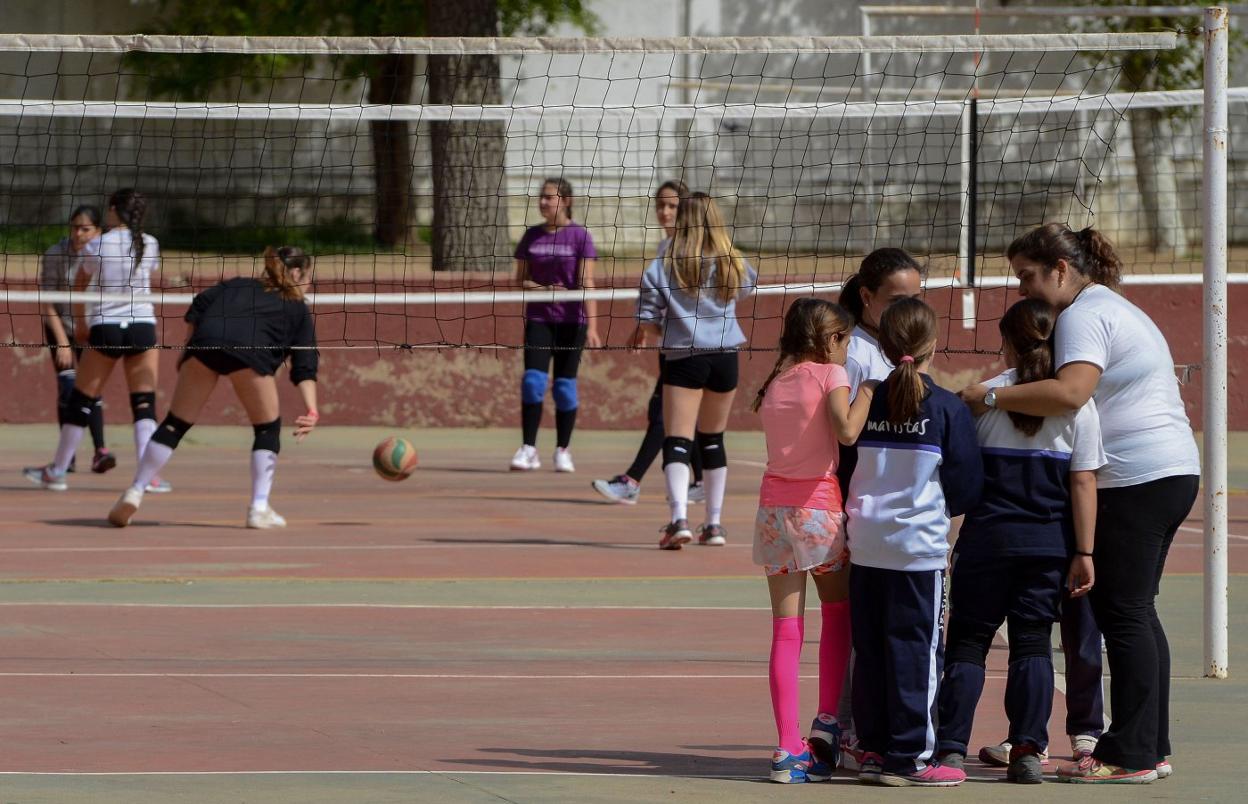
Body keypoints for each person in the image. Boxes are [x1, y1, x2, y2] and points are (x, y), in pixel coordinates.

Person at [960, 223, 1199, 784]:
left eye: (1027, 277)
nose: (1022, 290)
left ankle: (1131, 754)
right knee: (1136, 610)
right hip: (1167, 470)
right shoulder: (1110, 306)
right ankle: (1146, 745)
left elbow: (1070, 393)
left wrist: (987, 396)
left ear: (1060, 270)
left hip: (1137, 477)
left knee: (1126, 614)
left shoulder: (1085, 315)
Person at [934, 298, 1105, 784]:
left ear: (1008, 344)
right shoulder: (1078, 406)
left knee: (968, 644)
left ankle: (949, 750)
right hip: (1048, 546)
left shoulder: (983, 397)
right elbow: (1083, 483)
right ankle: (1028, 748)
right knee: (1032, 646)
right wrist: (1085, 552)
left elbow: (958, 474)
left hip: (987, 541)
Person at [846, 297, 982, 787]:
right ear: (933, 344)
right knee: (917, 651)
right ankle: (911, 758)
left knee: (871, 649)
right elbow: (966, 487)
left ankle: (876, 751)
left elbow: (845, 468)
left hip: (865, 544)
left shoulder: (865, 400)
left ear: (882, 345)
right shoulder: (945, 407)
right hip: (917, 550)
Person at [751, 298, 875, 783]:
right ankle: (827, 722)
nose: (847, 349)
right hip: (818, 511)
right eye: (844, 340)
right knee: (838, 614)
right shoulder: (832, 375)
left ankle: (787, 748)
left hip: (772, 514)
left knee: (785, 630)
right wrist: (866, 390)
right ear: (829, 341)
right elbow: (846, 433)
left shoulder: (776, 382)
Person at [107, 246, 319, 530]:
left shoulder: (235, 284)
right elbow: (305, 363)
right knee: (267, 429)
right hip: (250, 351)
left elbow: (198, 306)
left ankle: (136, 488)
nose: (309, 284)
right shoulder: (297, 307)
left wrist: (188, 350)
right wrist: (312, 409)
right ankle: (258, 508)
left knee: (174, 424)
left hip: (205, 343)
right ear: (295, 273)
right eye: (308, 277)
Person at [832, 247, 924, 768]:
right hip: (859, 505)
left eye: (915, 298)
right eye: (895, 299)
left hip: (895, 517)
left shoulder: (901, 351)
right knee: (859, 629)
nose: (905, 308)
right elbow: (843, 435)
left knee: (884, 628)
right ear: (867, 298)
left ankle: (870, 730)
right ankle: (848, 730)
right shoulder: (856, 355)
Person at [23, 188, 169, 493]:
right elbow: (147, 276)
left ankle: (57, 471)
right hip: (143, 325)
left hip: (107, 326)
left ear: (114, 210)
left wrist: (80, 324)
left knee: (82, 399)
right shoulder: (151, 243)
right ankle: (148, 478)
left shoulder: (98, 245)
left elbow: (80, 288)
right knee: (144, 403)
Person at [636, 192, 756, 549]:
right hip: (725, 358)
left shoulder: (663, 265)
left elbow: (648, 322)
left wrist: (673, 332)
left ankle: (679, 521)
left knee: (677, 440)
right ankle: (715, 525)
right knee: (713, 439)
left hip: (684, 358)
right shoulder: (733, 262)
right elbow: (747, 287)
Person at [591, 179, 704, 505]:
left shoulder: (688, 248)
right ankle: (702, 481)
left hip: (690, 345)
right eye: (661, 205)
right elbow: (658, 297)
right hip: (671, 341)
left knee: (666, 413)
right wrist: (644, 327)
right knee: (675, 412)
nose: (665, 212)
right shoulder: (664, 248)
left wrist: (650, 324)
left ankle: (631, 481)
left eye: (672, 206)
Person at [509, 178, 600, 473]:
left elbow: (588, 283)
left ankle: (563, 449)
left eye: (550, 198)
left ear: (566, 201)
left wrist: (595, 327)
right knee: (533, 382)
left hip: (573, 322)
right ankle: (529, 448)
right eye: (542, 198)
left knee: (564, 387)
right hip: (539, 319)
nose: (543, 202)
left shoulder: (580, 237)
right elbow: (519, 280)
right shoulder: (531, 236)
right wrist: (539, 289)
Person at [33, 205, 114, 473]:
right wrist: (63, 342)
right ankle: (66, 459)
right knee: (67, 389)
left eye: (85, 228)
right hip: (61, 327)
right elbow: (47, 304)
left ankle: (100, 452)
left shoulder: (104, 254)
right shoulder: (56, 254)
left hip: (91, 329)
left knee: (92, 389)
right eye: (74, 227)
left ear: (98, 231)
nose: (78, 233)